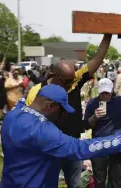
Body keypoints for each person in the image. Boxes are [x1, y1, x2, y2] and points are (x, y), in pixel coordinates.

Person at [0, 84, 121, 188]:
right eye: (62, 110)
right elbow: (80, 148)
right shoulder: (41, 130)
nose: (63, 115)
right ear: (51, 105)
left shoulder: (14, 114)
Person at [25, 34, 115, 188]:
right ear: (56, 76)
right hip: (50, 146)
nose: (72, 83)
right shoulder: (37, 92)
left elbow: (96, 60)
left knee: (75, 183)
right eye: (68, 81)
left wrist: (108, 35)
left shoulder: (73, 80)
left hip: (72, 143)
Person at [83, 78, 121, 187]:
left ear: (111, 91)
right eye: (102, 93)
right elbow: (86, 126)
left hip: (116, 145)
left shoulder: (119, 101)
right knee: (99, 179)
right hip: (99, 146)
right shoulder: (93, 103)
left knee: (116, 179)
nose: (105, 96)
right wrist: (94, 117)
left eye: (107, 93)